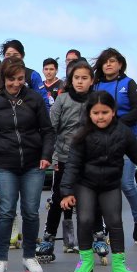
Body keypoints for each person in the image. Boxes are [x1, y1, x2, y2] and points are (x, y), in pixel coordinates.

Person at [62, 91, 137, 272]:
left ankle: (119, 266)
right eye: (96, 113)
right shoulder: (82, 133)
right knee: (85, 220)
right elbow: (72, 163)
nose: (100, 117)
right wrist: (66, 191)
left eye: (105, 112)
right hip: (86, 184)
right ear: (89, 114)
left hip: (110, 185)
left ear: (113, 111)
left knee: (115, 222)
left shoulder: (123, 132)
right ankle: (85, 262)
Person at [0, 58, 54, 272]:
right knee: (6, 211)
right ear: (3, 79)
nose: (16, 83)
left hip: (33, 164)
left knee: (31, 211)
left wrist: (46, 155)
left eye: (20, 79)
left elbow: (47, 131)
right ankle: (1, 260)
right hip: (5, 164)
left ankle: (29, 256)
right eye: (11, 79)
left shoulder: (35, 99)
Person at [92, 48, 137, 242]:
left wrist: (118, 124)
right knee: (104, 187)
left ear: (120, 65)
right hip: (100, 142)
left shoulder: (128, 83)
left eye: (113, 61)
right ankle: (106, 227)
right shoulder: (96, 84)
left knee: (126, 183)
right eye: (105, 62)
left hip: (125, 140)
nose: (108, 64)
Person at [40, 59, 93, 260]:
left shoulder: (95, 100)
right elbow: (50, 129)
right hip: (63, 157)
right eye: (76, 78)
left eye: (84, 78)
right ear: (70, 80)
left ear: (91, 80)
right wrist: (51, 156)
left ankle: (95, 236)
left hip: (88, 160)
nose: (80, 82)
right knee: (58, 199)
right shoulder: (62, 100)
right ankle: (49, 238)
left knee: (89, 200)